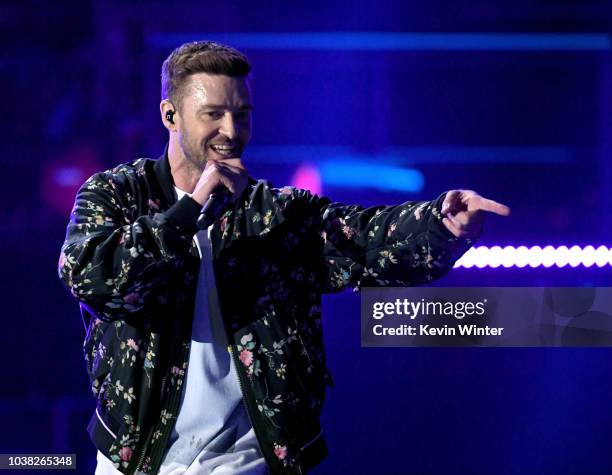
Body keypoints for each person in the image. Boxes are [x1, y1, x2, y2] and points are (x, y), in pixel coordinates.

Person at [58, 41, 509, 475]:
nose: (231, 131)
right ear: (171, 115)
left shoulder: (275, 213)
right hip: (135, 457)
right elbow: (90, 276)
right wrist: (187, 211)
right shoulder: (117, 194)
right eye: (213, 115)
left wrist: (441, 223)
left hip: (248, 458)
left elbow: (365, 240)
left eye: (241, 115)